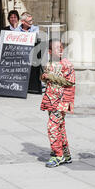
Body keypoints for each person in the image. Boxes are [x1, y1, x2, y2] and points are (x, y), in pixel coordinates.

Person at [40, 39, 76, 168]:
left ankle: (57, 154)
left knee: (52, 127)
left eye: (61, 47)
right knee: (60, 126)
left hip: (62, 101)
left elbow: (70, 82)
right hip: (51, 99)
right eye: (56, 48)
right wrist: (44, 77)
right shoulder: (50, 64)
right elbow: (48, 81)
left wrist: (50, 77)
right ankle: (66, 154)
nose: (60, 49)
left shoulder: (67, 64)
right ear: (50, 51)